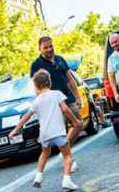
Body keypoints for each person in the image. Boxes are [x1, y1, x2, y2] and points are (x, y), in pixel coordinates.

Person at [9, 69, 82, 192]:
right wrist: (75, 121)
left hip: (44, 135)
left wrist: (16, 129)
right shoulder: (57, 94)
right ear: (50, 82)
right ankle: (67, 180)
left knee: (44, 154)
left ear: (36, 85)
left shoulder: (36, 101)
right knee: (67, 155)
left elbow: (27, 115)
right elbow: (65, 109)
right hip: (58, 132)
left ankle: (38, 176)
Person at [30, 36, 82, 172]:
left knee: (78, 124)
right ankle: (69, 159)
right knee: (61, 133)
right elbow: (36, 88)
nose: (49, 49)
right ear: (39, 48)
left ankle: (64, 152)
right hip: (53, 104)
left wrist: (77, 97)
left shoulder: (60, 59)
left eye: (50, 46)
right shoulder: (36, 65)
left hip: (68, 99)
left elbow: (70, 79)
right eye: (45, 47)